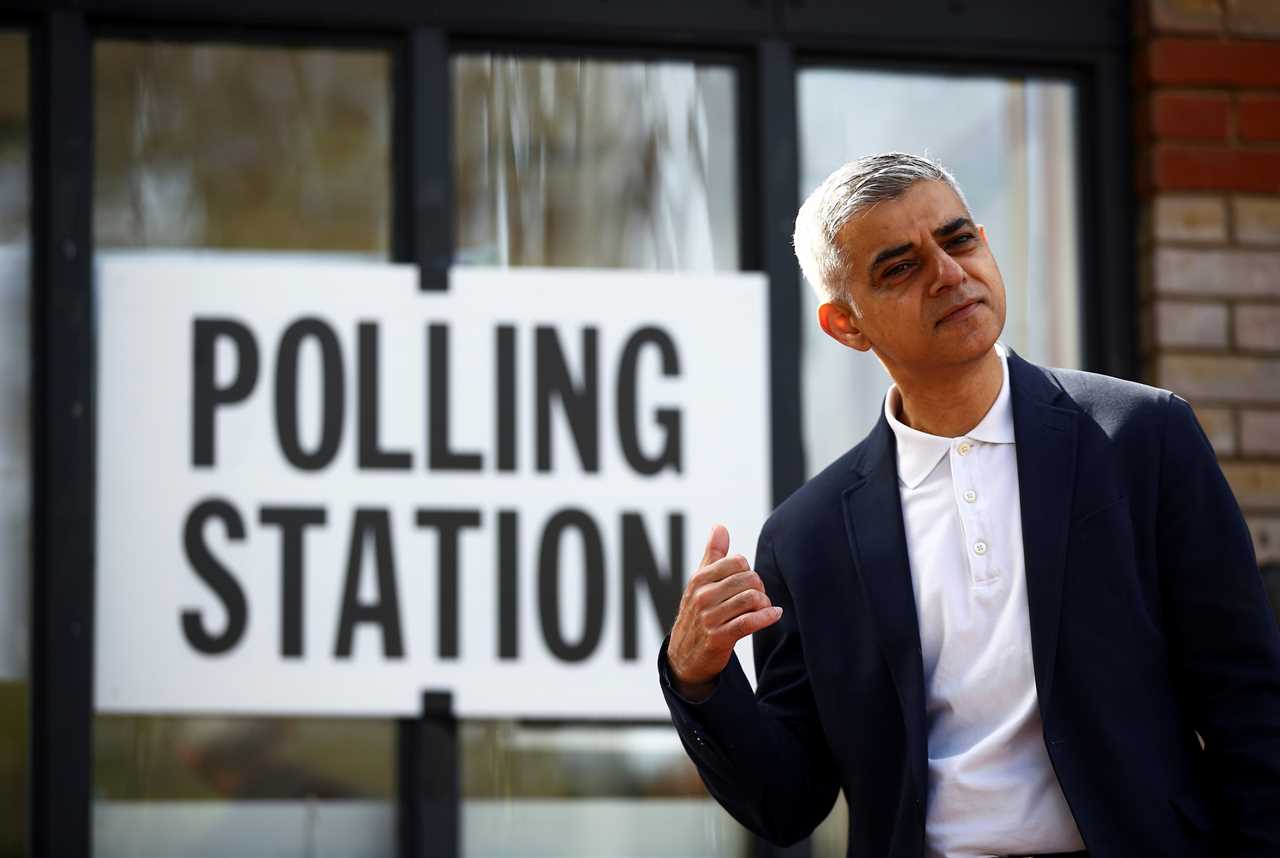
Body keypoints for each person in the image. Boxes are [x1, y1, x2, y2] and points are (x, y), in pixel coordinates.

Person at [658, 152, 1280, 858]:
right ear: (845, 325)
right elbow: (786, 804)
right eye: (900, 267)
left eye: (958, 240)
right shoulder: (807, 538)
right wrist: (697, 678)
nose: (949, 274)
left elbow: (1250, 707)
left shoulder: (1140, 437)